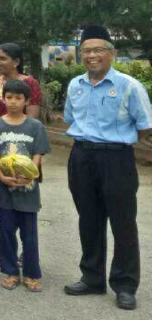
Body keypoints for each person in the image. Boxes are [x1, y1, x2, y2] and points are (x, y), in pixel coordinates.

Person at [63, 26, 152, 311]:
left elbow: (144, 128)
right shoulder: (75, 84)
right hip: (81, 157)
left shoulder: (129, 86)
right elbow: (69, 118)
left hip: (117, 159)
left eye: (98, 49)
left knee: (123, 223)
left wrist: (114, 144)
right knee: (88, 219)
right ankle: (92, 278)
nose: (91, 55)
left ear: (112, 53)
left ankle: (125, 285)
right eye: (86, 50)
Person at [0, 80, 49, 293]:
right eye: (9, 97)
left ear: (27, 101)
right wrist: (1, 175)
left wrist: (30, 175)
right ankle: (11, 272)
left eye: (18, 98)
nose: (13, 102)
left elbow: (37, 154)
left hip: (28, 190)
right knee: (6, 231)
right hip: (4, 188)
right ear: (3, 99)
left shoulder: (35, 126)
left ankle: (31, 274)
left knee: (29, 234)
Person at [0, 42, 43, 246]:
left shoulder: (30, 83)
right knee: (1, 198)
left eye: (3, 58)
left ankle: (27, 248)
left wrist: (13, 138)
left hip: (23, 150)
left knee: (24, 201)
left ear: (16, 61)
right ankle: (9, 248)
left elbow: (32, 117)